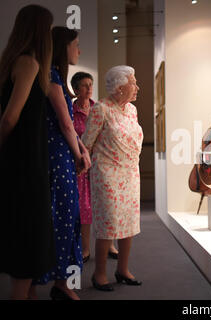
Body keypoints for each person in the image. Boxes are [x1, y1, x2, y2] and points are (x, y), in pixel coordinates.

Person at [0, 4, 55, 300]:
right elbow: (10, 117)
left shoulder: (12, 62)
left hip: (20, 163)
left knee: (26, 242)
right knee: (27, 244)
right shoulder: (29, 64)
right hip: (25, 166)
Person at [33, 26, 91, 301]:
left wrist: (81, 150)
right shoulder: (51, 77)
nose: (79, 50)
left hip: (62, 156)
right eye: (76, 44)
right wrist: (79, 153)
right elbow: (66, 124)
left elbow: (70, 128)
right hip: (56, 158)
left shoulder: (56, 77)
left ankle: (60, 282)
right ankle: (46, 283)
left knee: (66, 217)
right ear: (62, 47)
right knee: (60, 218)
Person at [82, 66, 143, 292]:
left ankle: (123, 269)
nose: (137, 87)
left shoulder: (132, 110)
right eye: (133, 83)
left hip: (130, 173)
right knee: (108, 223)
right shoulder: (101, 109)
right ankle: (99, 275)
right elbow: (86, 142)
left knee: (128, 222)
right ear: (118, 88)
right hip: (106, 174)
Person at [71, 72, 119, 263]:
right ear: (76, 90)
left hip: (101, 164)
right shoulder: (70, 111)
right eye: (84, 85)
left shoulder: (98, 108)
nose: (89, 88)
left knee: (106, 205)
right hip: (81, 166)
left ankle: (110, 245)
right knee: (85, 207)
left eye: (91, 84)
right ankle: (85, 249)